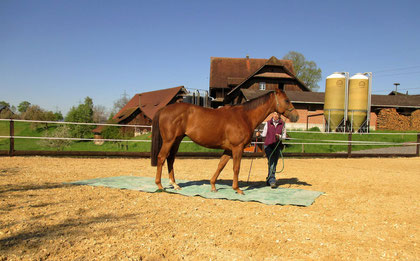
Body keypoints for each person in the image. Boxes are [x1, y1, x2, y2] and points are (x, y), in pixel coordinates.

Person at [256, 112, 286, 188]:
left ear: (280, 116)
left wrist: (279, 136)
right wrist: (259, 135)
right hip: (268, 145)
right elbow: (264, 134)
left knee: (273, 162)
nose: (276, 116)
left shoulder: (282, 124)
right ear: (272, 114)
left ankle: (268, 179)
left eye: (278, 115)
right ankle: (272, 180)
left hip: (277, 146)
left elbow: (284, 136)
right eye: (275, 114)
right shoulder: (268, 123)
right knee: (271, 161)